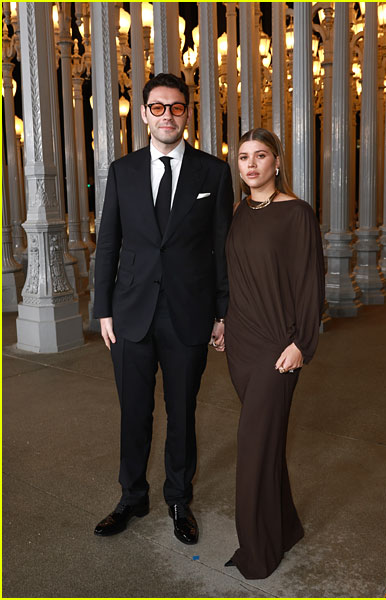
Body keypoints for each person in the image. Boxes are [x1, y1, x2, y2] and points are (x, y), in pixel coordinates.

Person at [93, 73, 233, 544]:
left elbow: (222, 248)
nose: (167, 115)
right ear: (145, 113)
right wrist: (103, 310)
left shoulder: (212, 173)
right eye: (158, 107)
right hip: (130, 312)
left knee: (182, 412)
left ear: (187, 113)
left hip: (188, 313)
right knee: (134, 411)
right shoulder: (123, 170)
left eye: (176, 107)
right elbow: (108, 243)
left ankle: (179, 498)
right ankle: (131, 497)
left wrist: (222, 313)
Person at [223, 128, 325, 579]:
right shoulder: (239, 212)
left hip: (279, 346)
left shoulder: (298, 214)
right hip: (240, 343)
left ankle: (258, 549)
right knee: (265, 446)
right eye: (243, 157)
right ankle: (284, 529)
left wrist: (302, 343)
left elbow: (309, 283)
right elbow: (236, 277)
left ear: (276, 163)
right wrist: (223, 321)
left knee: (252, 446)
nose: (250, 164)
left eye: (260, 155)